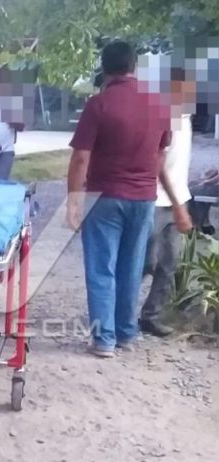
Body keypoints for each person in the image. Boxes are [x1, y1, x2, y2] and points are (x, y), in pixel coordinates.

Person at [66, 41, 192, 358]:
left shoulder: (99, 104)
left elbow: (80, 158)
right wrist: (173, 201)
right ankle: (125, 333)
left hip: (105, 197)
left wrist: (73, 201)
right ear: (134, 66)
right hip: (144, 199)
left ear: (104, 67)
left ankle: (104, 340)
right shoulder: (159, 105)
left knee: (101, 268)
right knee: (131, 267)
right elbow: (159, 156)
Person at [139, 67, 196, 337]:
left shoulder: (186, 118)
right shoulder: (162, 118)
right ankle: (118, 313)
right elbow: (158, 165)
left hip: (177, 199)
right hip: (156, 200)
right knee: (144, 262)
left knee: (169, 263)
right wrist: (178, 205)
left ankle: (150, 315)